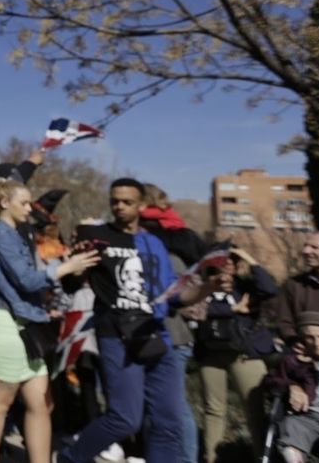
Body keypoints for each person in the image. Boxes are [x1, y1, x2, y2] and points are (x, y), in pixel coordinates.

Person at [57, 178, 213, 463]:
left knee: (169, 422)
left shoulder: (153, 243)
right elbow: (71, 284)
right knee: (125, 419)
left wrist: (210, 286)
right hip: (116, 336)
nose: (119, 206)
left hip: (156, 336)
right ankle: (71, 457)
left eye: (127, 202)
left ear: (142, 205)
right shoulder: (97, 235)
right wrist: (76, 263)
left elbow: (175, 295)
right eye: (115, 201)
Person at [0, 179, 98, 463]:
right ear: (5, 203)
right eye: (25, 203)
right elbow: (28, 280)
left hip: (25, 324)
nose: (31, 208)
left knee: (41, 404)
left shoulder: (16, 234)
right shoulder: (2, 235)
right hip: (3, 322)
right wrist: (67, 267)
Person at [138, 182, 202, 463]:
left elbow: (176, 287)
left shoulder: (159, 240)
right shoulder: (179, 231)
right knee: (162, 407)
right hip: (157, 332)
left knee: (174, 408)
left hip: (171, 333)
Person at [196, 246, 278, 460]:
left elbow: (270, 289)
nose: (223, 271)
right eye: (217, 266)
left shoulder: (246, 287)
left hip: (245, 354)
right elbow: (193, 311)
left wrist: (249, 258)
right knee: (213, 410)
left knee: (255, 412)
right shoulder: (203, 289)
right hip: (211, 355)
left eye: (228, 264)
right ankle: (210, 457)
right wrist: (231, 310)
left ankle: (263, 457)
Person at [264, 311, 319, 463]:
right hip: (311, 418)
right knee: (292, 425)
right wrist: (293, 386)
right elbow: (271, 380)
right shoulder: (298, 362)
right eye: (310, 338)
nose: (317, 343)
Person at [274, 230, 319, 348]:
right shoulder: (295, 285)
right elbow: (284, 322)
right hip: (310, 358)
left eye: (315, 247)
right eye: (306, 246)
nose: (306, 251)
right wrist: (295, 342)